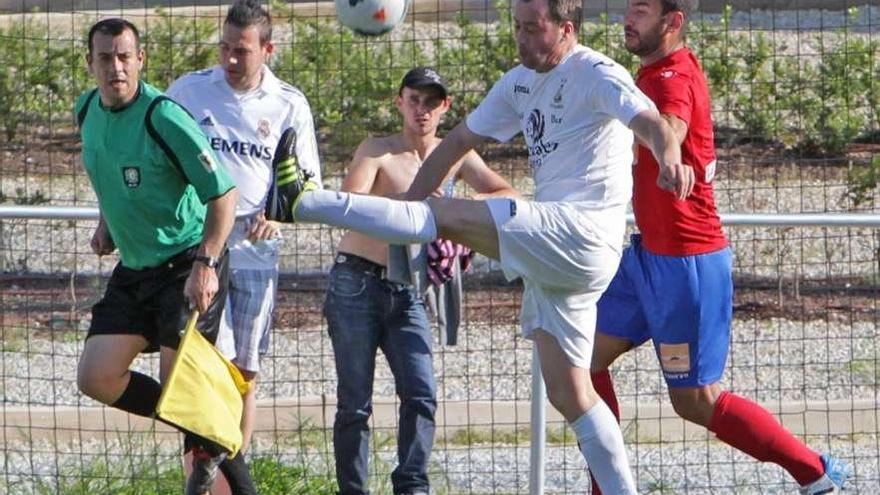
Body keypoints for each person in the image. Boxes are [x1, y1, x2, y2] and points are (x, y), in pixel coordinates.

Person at [265, 0, 695, 492]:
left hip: (580, 233)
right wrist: (409, 206)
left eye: (533, 28)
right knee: (570, 393)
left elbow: (652, 123)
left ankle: (301, 202)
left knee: (444, 214)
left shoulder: (595, 71)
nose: (521, 37)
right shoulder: (518, 81)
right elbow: (456, 144)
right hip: (561, 258)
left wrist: (669, 158)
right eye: (516, 26)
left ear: (565, 29)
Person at [588, 1, 851, 495]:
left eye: (641, 10)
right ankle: (605, 488)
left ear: (673, 21)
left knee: (695, 401)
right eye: (628, 7)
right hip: (646, 257)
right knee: (582, 360)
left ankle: (814, 472)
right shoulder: (652, 72)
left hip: (686, 264)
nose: (628, 17)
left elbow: (671, 127)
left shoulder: (671, 77)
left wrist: (670, 157)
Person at [73, 18, 256, 495]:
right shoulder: (86, 110)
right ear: (90, 63)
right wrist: (107, 222)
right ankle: (199, 427)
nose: (116, 66)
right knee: (96, 376)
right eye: (105, 57)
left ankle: (208, 444)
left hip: (187, 264)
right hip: (135, 269)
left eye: (125, 56)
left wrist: (206, 264)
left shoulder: (164, 117)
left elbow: (224, 195)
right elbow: (108, 169)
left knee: (186, 392)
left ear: (140, 60)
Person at [325, 66, 517, 495]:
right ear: (400, 102)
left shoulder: (455, 156)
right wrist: (413, 206)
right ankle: (352, 490)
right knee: (354, 403)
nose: (422, 109)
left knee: (421, 392)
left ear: (445, 107)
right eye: (414, 99)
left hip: (408, 288)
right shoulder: (378, 150)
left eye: (431, 102)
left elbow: (508, 193)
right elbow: (348, 204)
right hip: (356, 281)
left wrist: (457, 210)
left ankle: (411, 485)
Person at [167, 0, 322, 463]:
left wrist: (278, 215)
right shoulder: (190, 92)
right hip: (201, 246)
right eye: (225, 48)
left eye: (243, 51)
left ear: (268, 49)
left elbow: (308, 181)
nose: (231, 60)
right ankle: (200, 475)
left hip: (256, 249)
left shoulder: (289, 103)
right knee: (201, 362)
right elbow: (157, 150)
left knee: (243, 371)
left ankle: (234, 468)